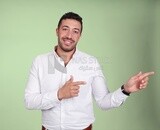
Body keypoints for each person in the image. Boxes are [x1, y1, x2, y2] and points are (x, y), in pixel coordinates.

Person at [24, 12, 154, 130]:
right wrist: (59, 94)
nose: (69, 35)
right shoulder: (40, 61)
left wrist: (125, 90)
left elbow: (103, 102)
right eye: (65, 29)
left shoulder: (91, 63)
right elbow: (29, 101)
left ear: (80, 36)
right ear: (57, 31)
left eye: (75, 31)